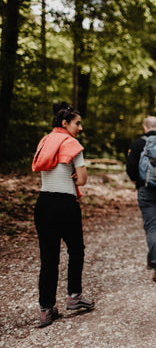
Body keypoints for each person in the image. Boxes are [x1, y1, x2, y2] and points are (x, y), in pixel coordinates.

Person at [32, 102, 95, 328]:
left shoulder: (45, 141)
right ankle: (74, 296)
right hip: (65, 204)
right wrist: (74, 177)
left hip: (44, 203)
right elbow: (83, 179)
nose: (80, 127)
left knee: (48, 257)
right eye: (77, 123)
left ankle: (46, 309)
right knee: (76, 249)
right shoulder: (71, 143)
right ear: (65, 123)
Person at [126, 116, 156, 284]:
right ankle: (153, 257)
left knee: (151, 227)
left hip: (146, 190)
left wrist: (138, 181)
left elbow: (130, 169)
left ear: (144, 127)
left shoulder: (138, 143)